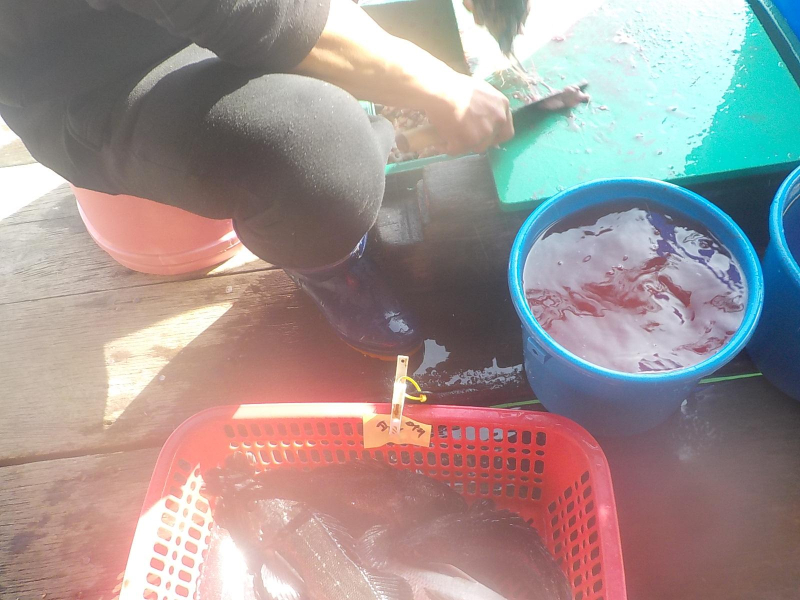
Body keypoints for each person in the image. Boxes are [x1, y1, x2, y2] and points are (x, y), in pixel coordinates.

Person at [0, 0, 514, 359]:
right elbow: (264, 13)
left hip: (184, 15)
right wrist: (442, 88)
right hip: (92, 75)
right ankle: (331, 266)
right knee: (321, 149)